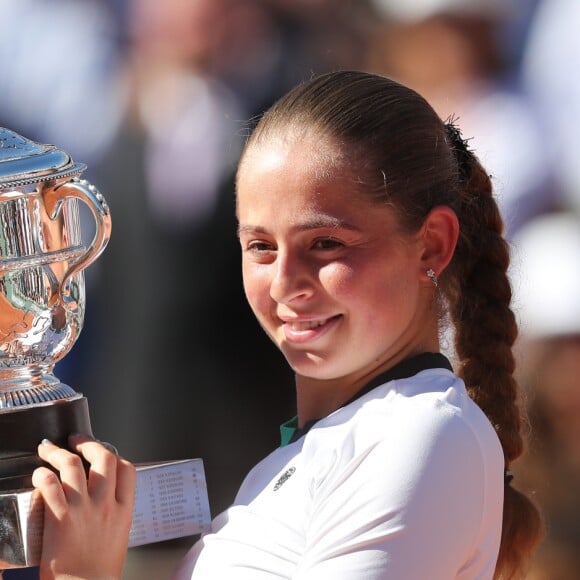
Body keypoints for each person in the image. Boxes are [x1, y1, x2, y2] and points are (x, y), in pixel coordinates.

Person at [29, 71, 542, 579]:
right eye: (261, 247)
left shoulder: (423, 431)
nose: (283, 285)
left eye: (326, 244)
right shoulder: (302, 456)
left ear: (431, 244)